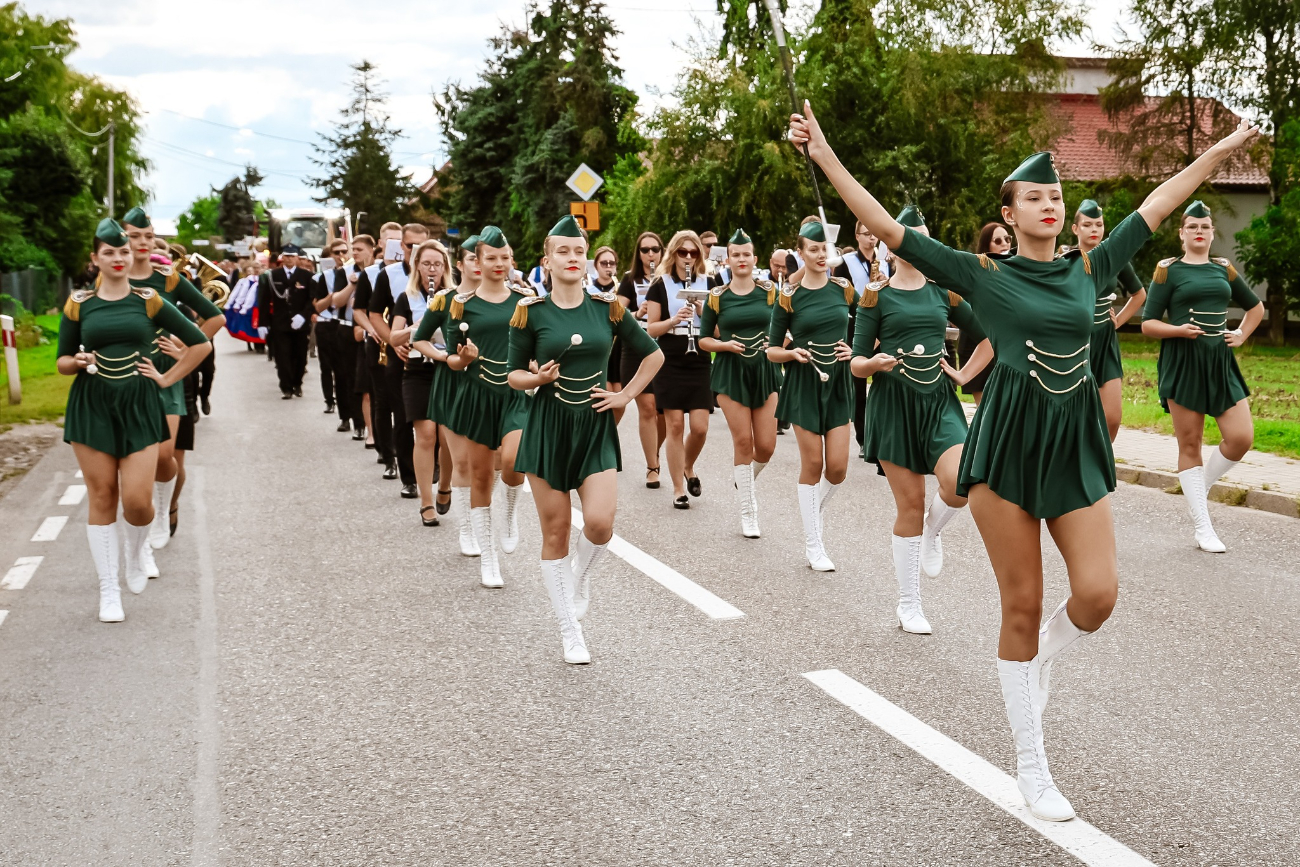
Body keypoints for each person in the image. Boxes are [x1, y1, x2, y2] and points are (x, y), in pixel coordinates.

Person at [791, 101, 1258, 821]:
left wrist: (1227, 146)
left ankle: (1047, 654)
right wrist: (822, 151)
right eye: (1034, 197)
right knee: (1022, 602)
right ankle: (1032, 766)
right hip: (1005, 449)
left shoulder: (1091, 264)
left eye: (1056, 196)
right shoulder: (981, 272)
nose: (1049, 204)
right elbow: (887, 227)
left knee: (1098, 595)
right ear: (1008, 212)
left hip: (1072, 448)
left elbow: (1162, 200)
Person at [507, 215, 663, 663]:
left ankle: (581, 577)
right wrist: (535, 377)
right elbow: (513, 375)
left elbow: (652, 356)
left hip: (595, 428)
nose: (573, 258)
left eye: (579, 251)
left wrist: (626, 397)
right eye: (563, 252)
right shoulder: (530, 313)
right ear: (547, 261)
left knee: (599, 524)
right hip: (548, 428)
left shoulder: (608, 308)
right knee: (555, 531)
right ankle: (569, 630)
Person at [58, 219, 211, 622]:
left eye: (123, 251)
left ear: (131, 255)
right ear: (96, 259)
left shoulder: (149, 301)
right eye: (109, 252)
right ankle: (110, 589)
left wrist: (166, 377)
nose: (119, 258)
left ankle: (135, 550)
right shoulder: (78, 303)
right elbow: (61, 359)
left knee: (138, 504)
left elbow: (201, 342)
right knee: (103, 494)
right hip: (92, 405)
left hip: (142, 404)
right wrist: (76, 361)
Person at [850, 205, 993, 634]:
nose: (917, 243)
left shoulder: (944, 293)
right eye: (909, 236)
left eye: (925, 237)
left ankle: (934, 531)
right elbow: (855, 362)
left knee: (961, 483)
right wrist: (873, 363)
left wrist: (965, 374)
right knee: (909, 506)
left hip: (938, 404)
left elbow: (989, 337)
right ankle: (909, 604)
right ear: (890, 245)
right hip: (893, 407)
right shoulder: (876, 296)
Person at [1141, 200, 1264, 553]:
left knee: (1241, 437)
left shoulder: (1223, 268)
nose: (1199, 231)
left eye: (1205, 227)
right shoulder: (1168, 271)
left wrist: (1241, 334)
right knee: (1190, 444)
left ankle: (1199, 486)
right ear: (1182, 234)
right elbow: (1148, 323)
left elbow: (1256, 308)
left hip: (1220, 362)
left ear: (1212, 233)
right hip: (1183, 361)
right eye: (1192, 226)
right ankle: (1202, 526)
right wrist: (1178, 330)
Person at [121, 208, 226, 558]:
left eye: (148, 236)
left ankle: (169, 506)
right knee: (135, 459)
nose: (142, 242)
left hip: (170, 374)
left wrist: (183, 348)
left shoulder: (167, 279)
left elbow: (215, 317)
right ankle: (144, 518)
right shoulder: (110, 278)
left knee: (168, 457)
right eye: (134, 236)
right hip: (125, 376)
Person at [765, 220, 856, 570]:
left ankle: (810, 513)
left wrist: (856, 350)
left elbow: (868, 325)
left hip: (837, 385)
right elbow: (772, 350)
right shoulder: (789, 297)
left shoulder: (844, 289)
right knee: (813, 465)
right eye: (813, 249)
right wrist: (792, 354)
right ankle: (813, 544)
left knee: (837, 469)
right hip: (803, 383)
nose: (820, 255)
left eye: (824, 249)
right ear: (800, 253)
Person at [443, 227, 532, 587]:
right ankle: (489, 560)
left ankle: (509, 510)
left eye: (504, 258)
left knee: (514, 460)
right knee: (480, 476)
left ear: (511, 261)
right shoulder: (461, 305)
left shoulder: (525, 302)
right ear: (476, 262)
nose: (498, 264)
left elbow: (536, 349)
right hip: (477, 396)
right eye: (491, 258)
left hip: (514, 394)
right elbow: (451, 358)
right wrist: (463, 358)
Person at [698, 229, 781, 537]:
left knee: (767, 446)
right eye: (736, 255)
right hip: (731, 372)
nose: (742, 259)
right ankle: (748, 512)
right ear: (727, 259)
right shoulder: (717, 297)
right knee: (743, 442)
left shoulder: (770, 292)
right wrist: (725, 346)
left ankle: (743, 477)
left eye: (747, 254)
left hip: (764, 371)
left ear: (754, 258)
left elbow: (784, 327)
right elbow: (704, 339)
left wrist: (781, 342)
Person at [1063, 200, 1147, 441]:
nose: (1094, 229)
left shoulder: (1114, 258)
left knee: (1112, 417)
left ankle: (1100, 469)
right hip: (1074, 342)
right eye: (1087, 224)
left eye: (1098, 224)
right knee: (1076, 415)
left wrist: (1117, 321)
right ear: (1075, 229)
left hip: (1105, 341)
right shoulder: (1064, 259)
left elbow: (1139, 294)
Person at [645, 231, 714, 509]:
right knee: (674, 425)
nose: (688, 258)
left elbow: (718, 329)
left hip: (699, 357)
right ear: (673, 254)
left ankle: (688, 466)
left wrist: (701, 312)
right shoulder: (660, 284)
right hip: (670, 356)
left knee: (699, 428)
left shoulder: (710, 283)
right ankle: (677, 489)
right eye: (682, 252)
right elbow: (651, 328)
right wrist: (675, 319)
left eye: (693, 253)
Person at [392, 239, 456, 526]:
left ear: (445, 268)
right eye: (426, 264)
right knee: (426, 434)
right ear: (416, 266)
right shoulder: (407, 298)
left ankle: (444, 485)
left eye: (437, 265)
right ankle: (426, 502)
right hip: (417, 370)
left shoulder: (455, 297)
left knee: (447, 438)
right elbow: (393, 337)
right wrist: (417, 328)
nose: (432, 270)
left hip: (448, 369)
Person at [367, 223, 428, 496]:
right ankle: (409, 477)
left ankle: (433, 465)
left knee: (435, 420)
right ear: (401, 246)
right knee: (403, 417)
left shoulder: (440, 272)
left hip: (436, 358)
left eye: (421, 246)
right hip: (401, 355)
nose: (415, 251)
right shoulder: (388, 275)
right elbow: (374, 314)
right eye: (410, 245)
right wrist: (392, 341)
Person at [353, 223, 405, 478]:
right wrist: (372, 329)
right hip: (378, 343)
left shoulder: (412, 271)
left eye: (400, 240)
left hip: (407, 344)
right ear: (381, 244)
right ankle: (388, 456)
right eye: (390, 241)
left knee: (403, 403)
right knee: (382, 401)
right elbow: (359, 309)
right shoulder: (372, 273)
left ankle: (408, 454)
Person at [616, 231, 666, 489]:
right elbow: (615, 312)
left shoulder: (667, 279)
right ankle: (652, 466)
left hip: (666, 347)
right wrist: (637, 312)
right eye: (645, 250)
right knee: (647, 408)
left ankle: (654, 451)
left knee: (664, 412)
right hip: (636, 349)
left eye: (655, 249)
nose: (650, 254)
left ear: (661, 251)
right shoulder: (628, 279)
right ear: (638, 253)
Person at [834, 221, 887, 450]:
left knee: (884, 381)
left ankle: (881, 434)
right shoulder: (845, 262)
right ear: (857, 236)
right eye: (866, 234)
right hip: (856, 325)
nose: (871, 238)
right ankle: (863, 437)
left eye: (874, 234)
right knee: (858, 385)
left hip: (883, 327)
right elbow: (840, 294)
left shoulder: (885, 260)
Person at [957, 223, 1011, 404]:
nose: (1004, 243)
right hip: (977, 343)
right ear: (987, 245)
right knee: (985, 413)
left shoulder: (1015, 270)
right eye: (998, 240)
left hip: (1004, 348)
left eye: (1007, 239)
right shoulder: (977, 271)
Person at [332, 235, 376, 444]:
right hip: (348, 328)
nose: (354, 253)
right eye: (353, 249)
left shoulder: (378, 271)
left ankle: (372, 426)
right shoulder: (345, 272)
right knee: (349, 377)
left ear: (371, 250)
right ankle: (357, 423)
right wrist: (352, 284)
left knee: (369, 382)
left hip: (372, 329)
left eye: (359, 249)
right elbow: (337, 301)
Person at [257, 243, 315, 399]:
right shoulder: (272, 276)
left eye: (292, 256)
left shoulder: (306, 276)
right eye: (286, 256)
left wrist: (303, 316)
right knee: (282, 357)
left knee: (300, 356)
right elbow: (264, 300)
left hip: (300, 324)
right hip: (280, 323)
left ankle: (297, 383)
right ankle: (286, 387)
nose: (289, 259)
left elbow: (311, 300)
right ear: (282, 258)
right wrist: (262, 323)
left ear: (297, 258)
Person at [310, 240, 352, 422]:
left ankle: (355, 416)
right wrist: (333, 296)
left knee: (347, 372)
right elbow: (317, 306)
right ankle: (331, 401)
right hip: (327, 323)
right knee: (328, 367)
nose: (341, 255)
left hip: (348, 324)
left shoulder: (357, 273)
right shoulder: (323, 277)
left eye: (345, 251)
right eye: (337, 252)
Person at [591, 246, 624, 422]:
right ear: (596, 265)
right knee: (602, 395)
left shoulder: (620, 290)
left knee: (619, 401)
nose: (608, 267)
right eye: (604, 263)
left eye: (612, 263)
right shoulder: (588, 290)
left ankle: (610, 432)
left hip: (617, 345)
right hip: (597, 344)